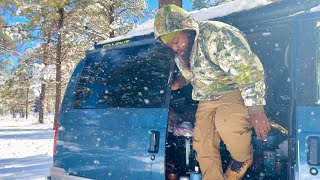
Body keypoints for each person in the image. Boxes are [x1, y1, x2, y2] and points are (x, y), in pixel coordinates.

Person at [154, 5, 271, 180]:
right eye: (170, 45)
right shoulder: (182, 53)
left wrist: (256, 110)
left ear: (186, 27)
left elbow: (248, 69)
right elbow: (194, 73)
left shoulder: (217, 35)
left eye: (175, 40)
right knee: (202, 144)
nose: (175, 48)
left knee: (227, 123)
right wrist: (181, 81)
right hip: (205, 98)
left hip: (232, 88)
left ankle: (242, 159)